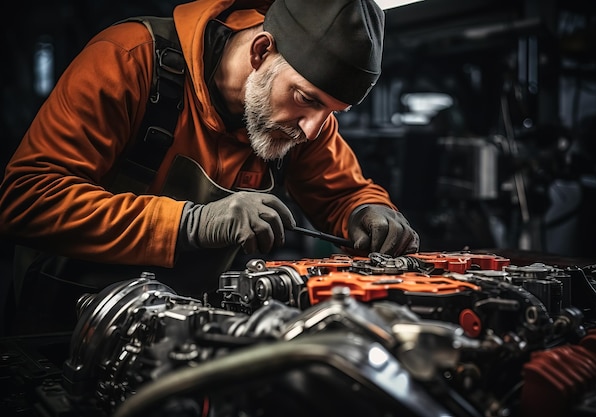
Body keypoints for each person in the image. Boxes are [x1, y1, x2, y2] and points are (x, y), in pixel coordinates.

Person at [0, 0, 420, 334]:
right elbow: (26, 199)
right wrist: (189, 223)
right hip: (72, 328)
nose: (313, 130)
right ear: (261, 51)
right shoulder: (130, 60)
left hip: (196, 335)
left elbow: (345, 193)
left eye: (333, 111)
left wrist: (366, 212)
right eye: (309, 99)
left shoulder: (302, 118)